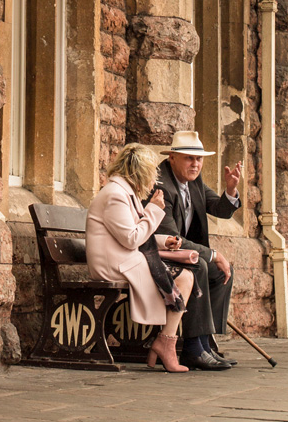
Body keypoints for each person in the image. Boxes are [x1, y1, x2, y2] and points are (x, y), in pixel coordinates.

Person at [86, 143, 194, 373]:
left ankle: (165, 341)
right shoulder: (116, 195)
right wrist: (153, 210)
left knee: (185, 275)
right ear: (140, 172)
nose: (153, 180)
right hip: (113, 264)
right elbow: (131, 238)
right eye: (150, 174)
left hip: (122, 258)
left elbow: (134, 233)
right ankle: (165, 342)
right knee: (184, 278)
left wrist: (164, 241)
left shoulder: (124, 192)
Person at [156, 131, 242, 371]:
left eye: (199, 159)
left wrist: (231, 190)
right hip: (157, 253)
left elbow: (220, 209)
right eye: (188, 158)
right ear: (172, 157)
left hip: (182, 252)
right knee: (201, 265)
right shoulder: (161, 184)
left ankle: (207, 343)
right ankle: (194, 348)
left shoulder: (193, 180)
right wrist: (213, 254)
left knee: (221, 272)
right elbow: (171, 237)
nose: (195, 164)